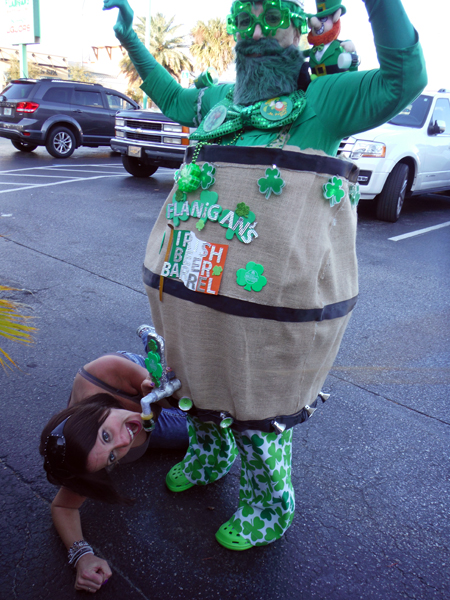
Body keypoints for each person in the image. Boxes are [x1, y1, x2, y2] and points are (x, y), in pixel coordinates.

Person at [103, 0, 427, 551]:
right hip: (194, 283)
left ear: (298, 30)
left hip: (270, 301)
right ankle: (209, 453)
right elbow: (168, 93)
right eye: (245, 20)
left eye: (271, 18)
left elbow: (403, 78)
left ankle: (269, 503)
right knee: (194, 378)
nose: (256, 31)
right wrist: (131, 41)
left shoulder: (320, 102)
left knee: (260, 400)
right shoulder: (217, 101)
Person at [39, 325, 188, 593]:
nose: (123, 443)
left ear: (92, 416)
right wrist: (82, 556)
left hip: (129, 382)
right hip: (145, 422)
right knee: (197, 431)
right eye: (111, 459)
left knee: (178, 379)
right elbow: (63, 507)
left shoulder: (103, 372)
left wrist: (152, 390)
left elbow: (178, 398)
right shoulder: (85, 456)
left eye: (106, 436)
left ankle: (150, 340)